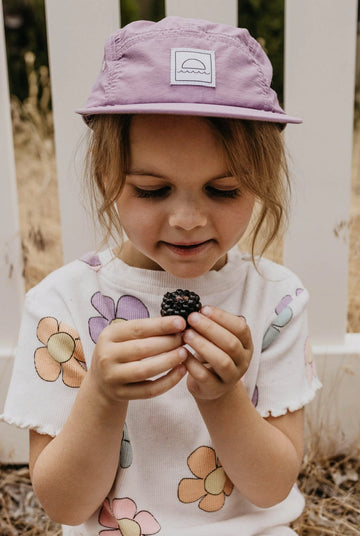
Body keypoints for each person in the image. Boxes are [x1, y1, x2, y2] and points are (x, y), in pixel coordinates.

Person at [1, 16, 321, 536]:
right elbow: (63, 505)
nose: (188, 219)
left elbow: (272, 488)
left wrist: (225, 398)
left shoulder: (277, 301)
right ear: (108, 178)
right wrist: (102, 396)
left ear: (259, 183)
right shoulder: (61, 306)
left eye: (223, 191)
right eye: (152, 190)